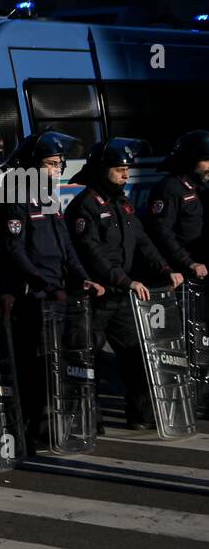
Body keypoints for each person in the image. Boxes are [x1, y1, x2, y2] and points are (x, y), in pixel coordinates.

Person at [0, 131, 106, 451]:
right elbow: (14, 249)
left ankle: (51, 425)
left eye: (60, 164)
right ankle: (28, 431)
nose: (58, 169)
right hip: (34, 296)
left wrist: (82, 278)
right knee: (33, 365)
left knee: (55, 362)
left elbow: (65, 245)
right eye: (52, 163)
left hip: (57, 294)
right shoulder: (15, 195)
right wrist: (45, 284)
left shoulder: (50, 197)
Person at [66, 138, 183, 430]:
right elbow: (91, 253)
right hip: (96, 295)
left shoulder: (123, 204)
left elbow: (143, 241)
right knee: (86, 360)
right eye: (119, 170)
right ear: (103, 169)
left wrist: (166, 268)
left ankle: (140, 414)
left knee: (135, 356)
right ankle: (88, 420)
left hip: (121, 296)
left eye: (127, 170)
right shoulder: (85, 207)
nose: (126, 176)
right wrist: (126, 281)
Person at [143, 130, 209, 282]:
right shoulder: (169, 188)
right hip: (185, 271)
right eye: (206, 160)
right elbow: (162, 232)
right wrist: (189, 263)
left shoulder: (202, 186)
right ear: (191, 159)